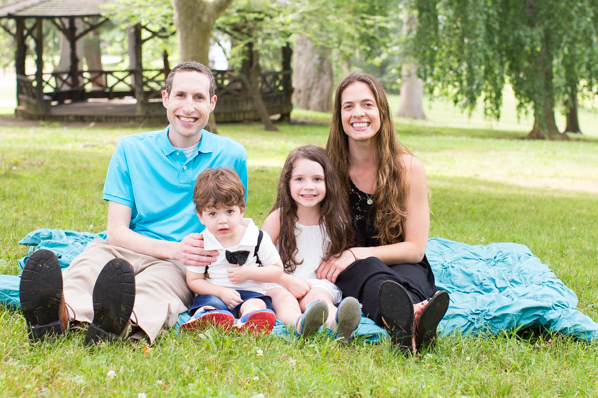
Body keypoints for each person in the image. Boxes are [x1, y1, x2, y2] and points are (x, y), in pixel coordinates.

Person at [18, 61, 248, 345]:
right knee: (88, 269)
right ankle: (56, 318)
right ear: (165, 99)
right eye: (180, 95)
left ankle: (118, 325)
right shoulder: (131, 149)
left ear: (212, 103)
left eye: (198, 98)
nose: (189, 107)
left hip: (181, 262)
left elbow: (235, 223)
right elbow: (116, 231)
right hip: (126, 245)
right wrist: (172, 249)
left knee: (157, 290)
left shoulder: (232, 155)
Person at [319, 72, 450, 355]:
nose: (358, 114)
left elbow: (415, 250)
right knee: (371, 275)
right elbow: (290, 208)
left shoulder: (409, 168)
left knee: (404, 282)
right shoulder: (327, 167)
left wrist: (357, 252)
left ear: (382, 111)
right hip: (352, 270)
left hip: (402, 261)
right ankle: (414, 322)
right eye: (349, 106)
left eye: (367, 104)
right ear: (339, 116)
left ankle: (407, 318)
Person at [261, 145, 362, 340]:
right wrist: (285, 280)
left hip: (316, 283)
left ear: (328, 183)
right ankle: (301, 323)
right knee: (284, 301)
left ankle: (340, 325)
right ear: (287, 183)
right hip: (281, 281)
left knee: (320, 299)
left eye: (317, 179)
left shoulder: (336, 221)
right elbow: (258, 259)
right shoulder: (278, 219)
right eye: (299, 179)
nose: (309, 186)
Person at [180, 168, 281, 334]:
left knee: (255, 304)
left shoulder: (257, 237)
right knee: (209, 304)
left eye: (229, 211)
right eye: (213, 213)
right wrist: (220, 292)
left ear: (241, 211)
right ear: (200, 216)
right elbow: (194, 280)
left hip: (251, 293)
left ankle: (252, 320)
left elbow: (277, 271)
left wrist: (248, 273)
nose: (222, 221)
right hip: (215, 292)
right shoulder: (200, 243)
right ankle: (208, 318)